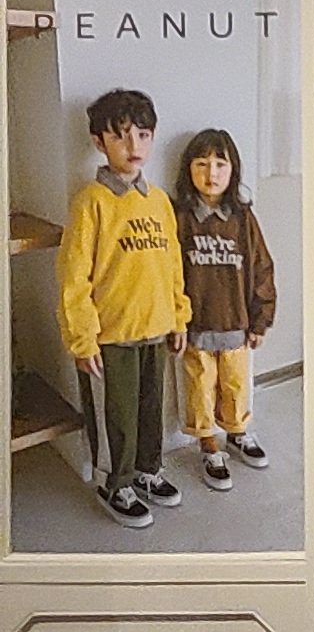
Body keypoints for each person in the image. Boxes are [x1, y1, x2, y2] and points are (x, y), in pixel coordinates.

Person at [55, 87, 185, 527]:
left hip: (156, 328)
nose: (134, 146)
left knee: (151, 409)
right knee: (119, 415)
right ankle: (116, 483)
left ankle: (148, 471)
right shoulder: (90, 203)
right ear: (99, 142)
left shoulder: (159, 201)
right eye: (121, 136)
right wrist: (82, 338)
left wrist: (179, 316)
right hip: (111, 336)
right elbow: (74, 278)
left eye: (143, 135)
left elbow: (172, 264)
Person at [170, 126, 279, 490]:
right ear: (188, 168)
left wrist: (261, 320)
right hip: (196, 326)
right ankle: (208, 444)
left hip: (236, 323)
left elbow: (262, 267)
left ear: (233, 170)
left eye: (220, 164)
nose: (211, 173)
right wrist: (176, 321)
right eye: (201, 164)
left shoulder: (243, 218)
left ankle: (237, 432)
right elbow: (169, 272)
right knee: (200, 387)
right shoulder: (180, 217)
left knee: (235, 384)